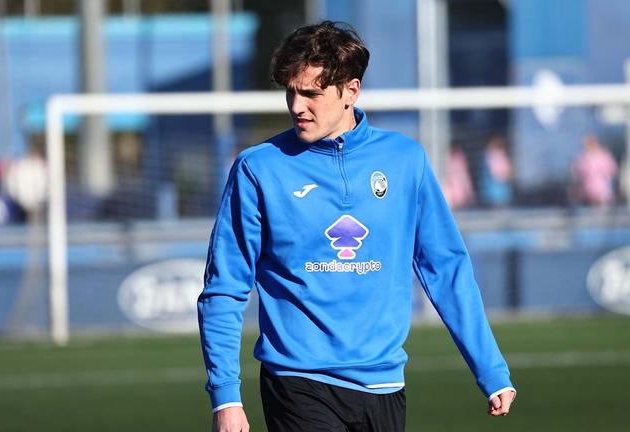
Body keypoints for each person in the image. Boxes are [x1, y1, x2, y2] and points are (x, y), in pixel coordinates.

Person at [197, 21, 516, 432]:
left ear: (351, 91)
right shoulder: (258, 168)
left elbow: (446, 270)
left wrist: (490, 369)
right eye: (290, 92)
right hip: (297, 384)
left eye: (311, 93)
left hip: (385, 385)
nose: (297, 106)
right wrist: (226, 397)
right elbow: (224, 287)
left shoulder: (405, 160)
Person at [570, 134, 618, 207]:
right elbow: (575, 172)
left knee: (602, 210)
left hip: (601, 190)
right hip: (586, 192)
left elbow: (612, 169)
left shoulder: (603, 155)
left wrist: (604, 175)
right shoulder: (582, 157)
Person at [479, 134, 513, 207]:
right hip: (495, 188)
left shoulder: (499, 153)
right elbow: (495, 171)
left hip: (501, 187)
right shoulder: (489, 154)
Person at [444, 142, 475, 209]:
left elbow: (464, 177)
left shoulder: (459, 159)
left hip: (457, 195)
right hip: (453, 195)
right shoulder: (450, 159)